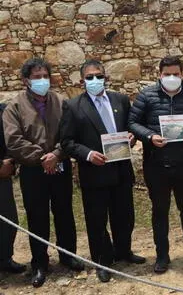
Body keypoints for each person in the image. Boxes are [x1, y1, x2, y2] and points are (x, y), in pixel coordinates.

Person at [60, 60, 146, 283]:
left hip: (121, 169)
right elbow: (67, 142)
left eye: (98, 75)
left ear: (106, 77)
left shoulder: (121, 100)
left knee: (125, 215)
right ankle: (102, 261)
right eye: (89, 77)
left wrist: (132, 136)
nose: (94, 80)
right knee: (97, 220)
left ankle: (123, 251)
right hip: (94, 173)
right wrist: (88, 154)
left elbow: (130, 127)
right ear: (82, 81)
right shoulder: (73, 106)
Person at [2, 58, 83, 287]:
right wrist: (41, 157)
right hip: (32, 170)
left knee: (64, 212)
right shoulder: (14, 107)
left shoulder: (60, 101)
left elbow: (69, 133)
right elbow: (14, 141)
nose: (42, 81)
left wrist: (56, 155)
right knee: (37, 216)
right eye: (37, 77)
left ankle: (68, 255)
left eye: (45, 76)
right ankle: (40, 263)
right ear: (26, 80)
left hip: (60, 165)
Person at [128, 56, 183, 273]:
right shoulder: (146, 96)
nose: (172, 78)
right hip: (156, 165)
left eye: (176, 73)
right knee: (159, 211)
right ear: (159, 74)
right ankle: (162, 255)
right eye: (167, 74)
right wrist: (149, 136)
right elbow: (133, 123)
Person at [0, 102, 26, 275]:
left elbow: (13, 138)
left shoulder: (4, 110)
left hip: (3, 176)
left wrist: (10, 161)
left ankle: (4, 259)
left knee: (8, 221)